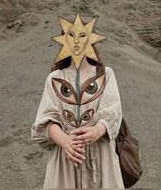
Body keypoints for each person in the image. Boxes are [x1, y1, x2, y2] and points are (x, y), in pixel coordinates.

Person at [31, 13, 125, 188]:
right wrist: (65, 141)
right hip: (66, 159)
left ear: (91, 40)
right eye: (71, 36)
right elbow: (46, 119)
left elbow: (113, 111)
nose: (76, 42)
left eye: (82, 36)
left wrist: (97, 130)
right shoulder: (54, 78)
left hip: (101, 158)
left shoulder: (105, 74)